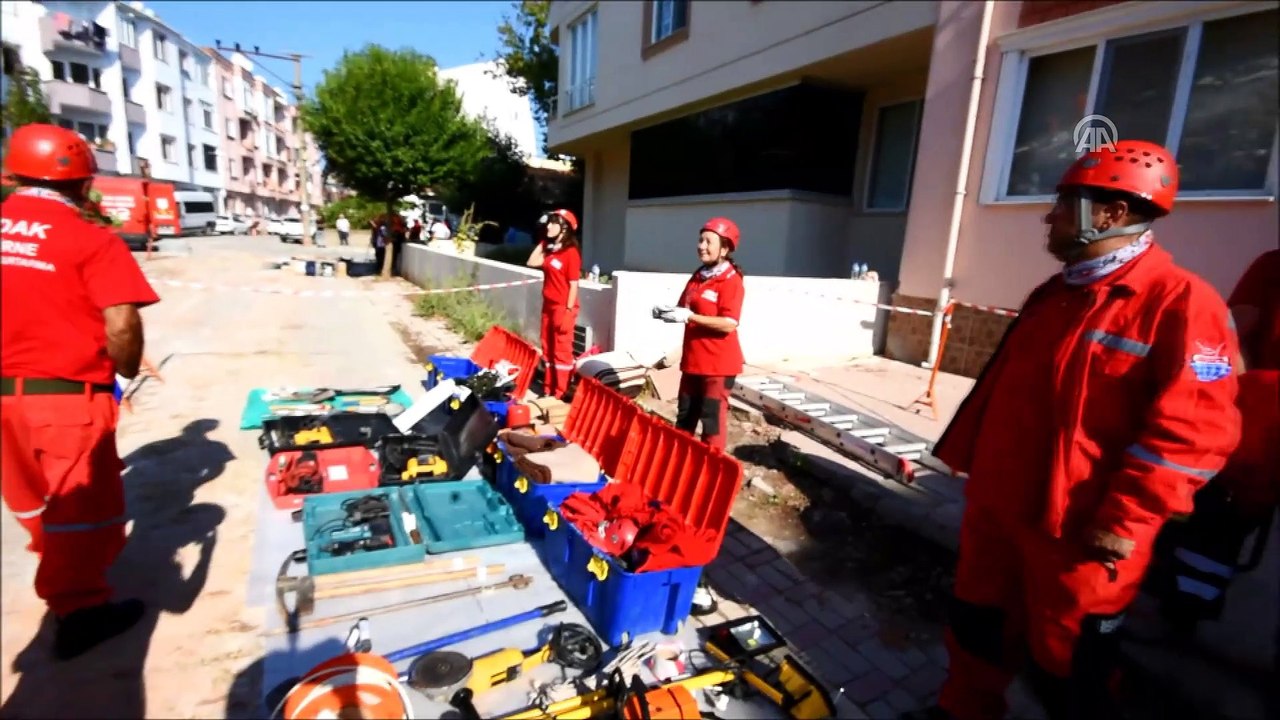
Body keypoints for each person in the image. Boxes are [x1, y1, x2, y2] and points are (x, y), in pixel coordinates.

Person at [909, 140, 1242, 720]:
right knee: (976, 628)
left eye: (1064, 202)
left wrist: (1124, 523)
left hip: (1082, 535)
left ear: (1110, 213)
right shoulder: (1056, 294)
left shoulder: (1182, 302)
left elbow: (1194, 435)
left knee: (1073, 666)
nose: (1049, 215)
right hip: (1000, 513)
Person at [1, 123, 160, 660]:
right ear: (83, 183)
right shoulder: (90, 238)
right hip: (63, 397)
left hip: (4, 398)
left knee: (31, 498)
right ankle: (79, 610)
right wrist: (126, 367)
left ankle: (54, 565)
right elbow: (120, 325)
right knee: (82, 508)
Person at [1153, 248, 1280, 634]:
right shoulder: (1272, 268)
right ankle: (1184, 606)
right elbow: (1234, 338)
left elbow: (1233, 337)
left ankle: (1183, 607)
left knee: (1215, 520)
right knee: (1216, 522)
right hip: (1257, 432)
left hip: (1256, 436)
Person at [652, 217, 745, 452]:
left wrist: (689, 317)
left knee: (711, 419)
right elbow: (684, 306)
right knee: (685, 415)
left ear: (724, 249)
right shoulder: (699, 275)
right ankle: (680, 462)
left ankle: (711, 468)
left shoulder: (731, 281)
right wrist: (668, 312)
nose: (701, 246)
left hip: (718, 365)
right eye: (700, 240)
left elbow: (729, 324)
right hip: (693, 361)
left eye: (708, 241)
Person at [527, 209, 581, 399]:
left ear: (564, 228)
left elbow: (574, 285)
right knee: (548, 347)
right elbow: (531, 262)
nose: (548, 226)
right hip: (548, 306)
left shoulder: (571, 253)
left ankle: (561, 391)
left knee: (561, 350)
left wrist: (568, 312)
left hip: (562, 307)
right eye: (548, 223)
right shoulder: (551, 251)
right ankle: (548, 388)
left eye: (553, 223)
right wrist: (544, 242)